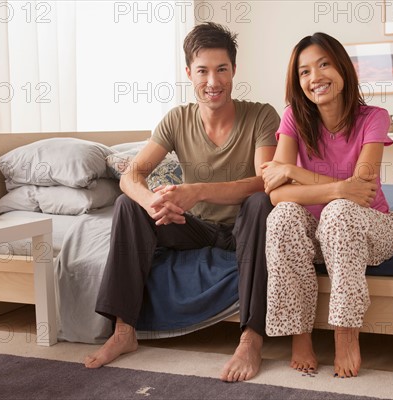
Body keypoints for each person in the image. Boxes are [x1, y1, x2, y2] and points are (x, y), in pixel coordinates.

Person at [84, 22, 280, 383]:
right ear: (189, 73)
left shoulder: (261, 115)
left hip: (244, 228)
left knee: (260, 202)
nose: (213, 81)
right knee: (129, 205)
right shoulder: (177, 119)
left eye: (222, 69)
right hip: (198, 229)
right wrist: (151, 202)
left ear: (234, 70)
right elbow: (131, 174)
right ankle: (124, 332)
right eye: (203, 70)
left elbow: (263, 180)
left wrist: (198, 190)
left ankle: (251, 337)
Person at [261, 32, 393, 378]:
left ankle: (346, 334)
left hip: (373, 227)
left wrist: (295, 172)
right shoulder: (293, 118)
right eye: (304, 72)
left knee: (340, 213)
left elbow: (363, 192)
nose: (315, 78)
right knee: (282, 216)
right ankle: (300, 337)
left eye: (324, 64)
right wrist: (340, 187)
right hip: (317, 236)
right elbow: (278, 195)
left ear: (342, 68)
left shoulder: (374, 117)